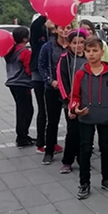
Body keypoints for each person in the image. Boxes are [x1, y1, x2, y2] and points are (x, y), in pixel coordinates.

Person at [70, 36, 108, 200]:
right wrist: (75, 108)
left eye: (95, 50)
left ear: (102, 52)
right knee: (85, 150)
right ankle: (84, 183)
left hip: (105, 117)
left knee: (105, 148)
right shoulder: (80, 73)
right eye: (88, 51)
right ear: (84, 52)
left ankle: (107, 179)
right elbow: (75, 96)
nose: (91, 54)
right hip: (86, 117)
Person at [38, 23, 71, 164]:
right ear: (56, 29)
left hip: (70, 90)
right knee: (52, 121)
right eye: (62, 27)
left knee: (72, 121)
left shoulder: (73, 46)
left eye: (68, 27)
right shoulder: (48, 46)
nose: (65, 30)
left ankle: (71, 152)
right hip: (53, 89)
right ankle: (49, 151)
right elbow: (42, 66)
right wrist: (50, 81)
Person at [57, 29, 88, 173]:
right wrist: (71, 103)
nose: (79, 46)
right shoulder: (65, 59)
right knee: (73, 132)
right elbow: (62, 82)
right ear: (69, 44)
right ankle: (67, 161)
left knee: (85, 133)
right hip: (71, 102)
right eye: (75, 43)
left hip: (87, 101)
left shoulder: (89, 57)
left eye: (81, 42)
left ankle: (82, 158)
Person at [5, 26, 35, 148]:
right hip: (22, 84)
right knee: (26, 111)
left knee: (22, 109)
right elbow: (29, 70)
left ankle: (23, 135)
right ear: (25, 38)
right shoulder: (25, 52)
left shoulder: (9, 51)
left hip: (12, 83)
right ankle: (21, 137)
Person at [30, 15, 51, 153]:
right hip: (39, 76)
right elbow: (35, 26)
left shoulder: (54, 38)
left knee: (52, 112)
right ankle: (40, 142)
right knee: (43, 110)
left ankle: (51, 141)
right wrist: (46, 13)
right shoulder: (38, 37)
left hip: (53, 77)